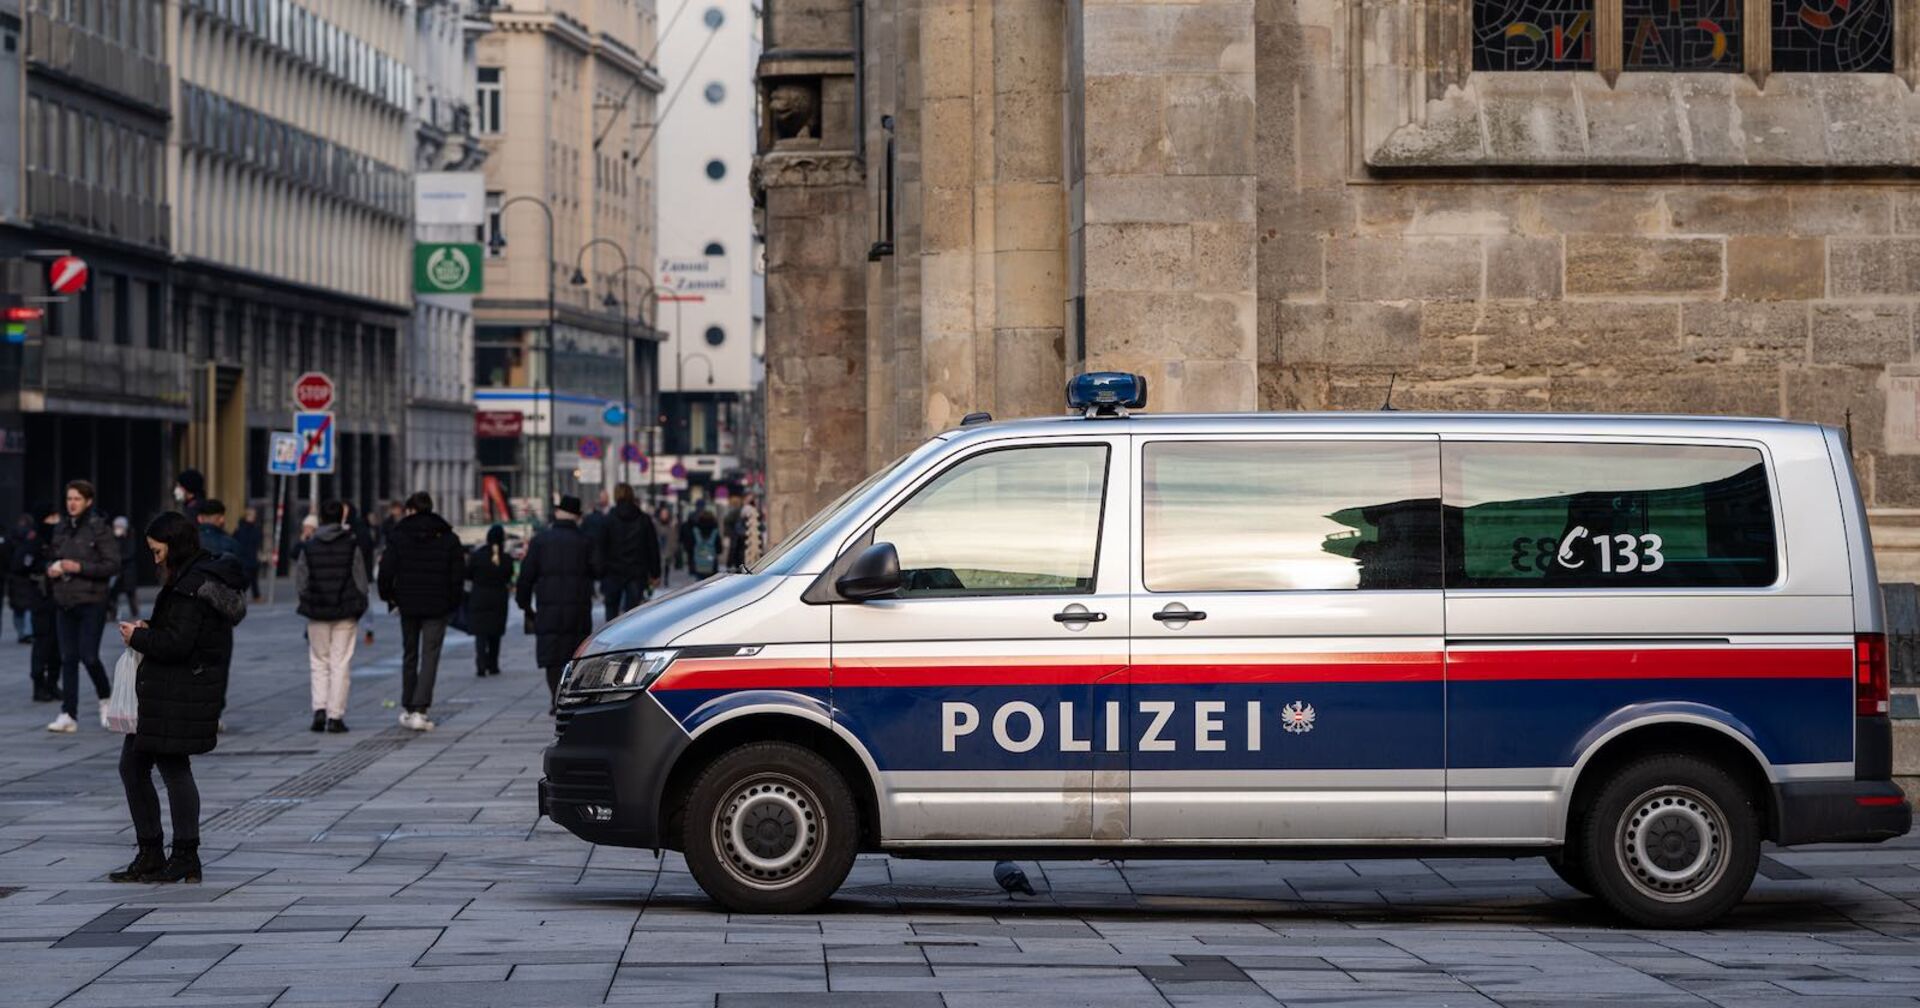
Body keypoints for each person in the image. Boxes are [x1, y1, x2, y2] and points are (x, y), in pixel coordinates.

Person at [110, 510, 246, 885]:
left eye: (157, 551)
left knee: (170, 769)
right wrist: (150, 627)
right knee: (135, 767)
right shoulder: (193, 577)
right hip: (170, 690)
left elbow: (178, 643)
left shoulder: (190, 586)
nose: (155, 559)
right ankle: (154, 852)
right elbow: (179, 632)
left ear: (175, 546)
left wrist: (138, 637)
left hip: (177, 689)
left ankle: (183, 854)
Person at [375, 492, 465, 731]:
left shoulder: (399, 535)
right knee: (430, 656)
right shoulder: (448, 537)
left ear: (410, 510)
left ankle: (407, 705)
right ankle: (421, 708)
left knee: (409, 654)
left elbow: (385, 571)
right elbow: (457, 575)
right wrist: (452, 602)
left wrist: (390, 597)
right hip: (437, 604)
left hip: (408, 603)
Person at [45, 480, 120, 733]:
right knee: (68, 658)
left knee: (89, 656)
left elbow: (112, 565)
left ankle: (105, 697)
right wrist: (52, 569)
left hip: (92, 601)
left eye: (77, 499)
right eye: (69, 499)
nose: (72, 503)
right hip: (64, 600)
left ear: (88, 501)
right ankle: (68, 712)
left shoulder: (99, 529)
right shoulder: (62, 528)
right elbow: (53, 556)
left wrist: (80, 567)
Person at [517, 495, 598, 707]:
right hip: (578, 607)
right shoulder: (585, 541)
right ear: (576, 517)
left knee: (552, 655)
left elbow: (526, 576)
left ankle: (556, 696)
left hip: (548, 607)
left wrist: (524, 604)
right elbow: (598, 569)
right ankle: (570, 695)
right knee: (575, 653)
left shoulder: (540, 541)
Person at [295, 500, 367, 733]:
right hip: (345, 611)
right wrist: (359, 605)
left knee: (318, 662)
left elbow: (301, 581)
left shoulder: (310, 546)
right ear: (341, 518)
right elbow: (361, 581)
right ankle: (335, 716)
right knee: (340, 663)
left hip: (317, 611)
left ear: (322, 520)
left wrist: (308, 600)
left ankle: (319, 710)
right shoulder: (351, 545)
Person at [594, 483, 659, 621]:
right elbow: (652, 547)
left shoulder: (607, 520)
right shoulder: (643, 519)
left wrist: (599, 571)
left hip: (612, 572)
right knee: (633, 614)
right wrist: (655, 573)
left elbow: (600, 547)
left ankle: (611, 639)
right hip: (636, 572)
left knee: (611, 611)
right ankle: (629, 641)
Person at [466, 524, 514, 677]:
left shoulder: (477, 555)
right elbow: (508, 576)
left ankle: (481, 664)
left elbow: (468, 574)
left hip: (479, 597)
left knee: (480, 634)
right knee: (495, 633)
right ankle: (493, 664)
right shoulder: (505, 558)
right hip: (498, 598)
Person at [108, 516, 140, 621]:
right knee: (113, 593)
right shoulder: (112, 538)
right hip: (116, 570)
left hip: (127, 569)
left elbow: (130, 552)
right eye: (116, 526)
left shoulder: (130, 536)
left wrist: (118, 558)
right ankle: (113, 613)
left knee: (130, 592)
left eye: (119, 526)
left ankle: (135, 612)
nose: (117, 528)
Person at [682, 506, 723, 579]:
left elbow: (690, 546)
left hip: (698, 564)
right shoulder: (715, 532)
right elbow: (719, 549)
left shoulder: (695, 531)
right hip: (712, 565)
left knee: (700, 585)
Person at [234, 507, 263, 602]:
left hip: (253, 557)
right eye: (252, 515)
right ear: (246, 516)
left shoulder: (255, 528)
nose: (254, 517)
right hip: (244, 557)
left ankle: (256, 596)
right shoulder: (240, 528)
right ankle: (240, 595)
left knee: (254, 578)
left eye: (254, 515)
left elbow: (258, 543)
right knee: (244, 578)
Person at [654, 504, 680, 581]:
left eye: (666, 514)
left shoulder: (671, 525)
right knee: (660, 565)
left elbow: (674, 537)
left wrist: (674, 548)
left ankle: (666, 579)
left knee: (667, 565)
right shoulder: (656, 524)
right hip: (660, 548)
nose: (664, 515)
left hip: (668, 549)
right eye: (663, 514)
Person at [739, 496, 765, 569]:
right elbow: (762, 529)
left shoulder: (742, 520)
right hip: (754, 550)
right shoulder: (757, 517)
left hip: (745, 551)